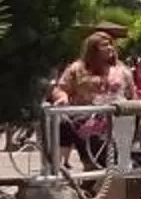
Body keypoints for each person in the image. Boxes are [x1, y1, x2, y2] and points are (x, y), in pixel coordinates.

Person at [51, 32, 129, 174]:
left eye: (111, 44)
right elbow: (60, 89)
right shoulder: (77, 69)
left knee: (112, 161)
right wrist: (62, 97)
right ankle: (59, 170)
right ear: (93, 49)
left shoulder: (121, 69)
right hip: (85, 120)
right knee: (65, 126)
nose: (110, 48)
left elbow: (131, 94)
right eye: (104, 45)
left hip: (116, 121)